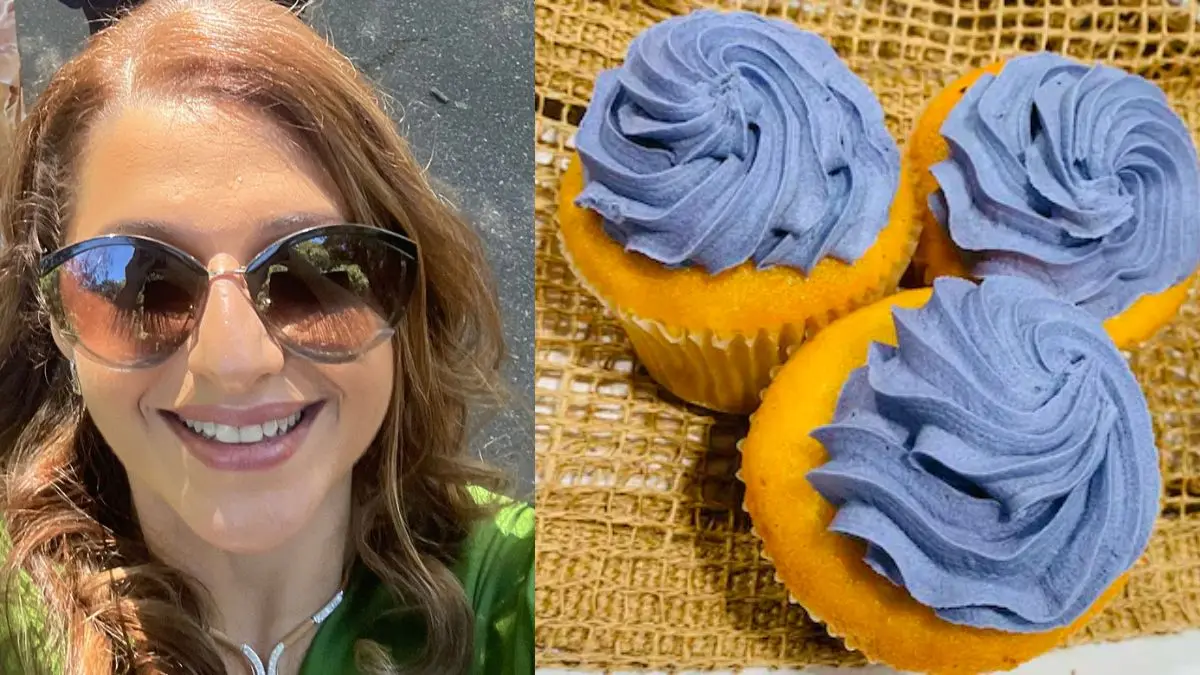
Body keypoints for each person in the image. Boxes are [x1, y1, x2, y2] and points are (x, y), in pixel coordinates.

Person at [0, 1, 533, 674]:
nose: (234, 359)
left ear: (404, 298)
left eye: (314, 275)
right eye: (142, 284)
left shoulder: (520, 587)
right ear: (57, 320)